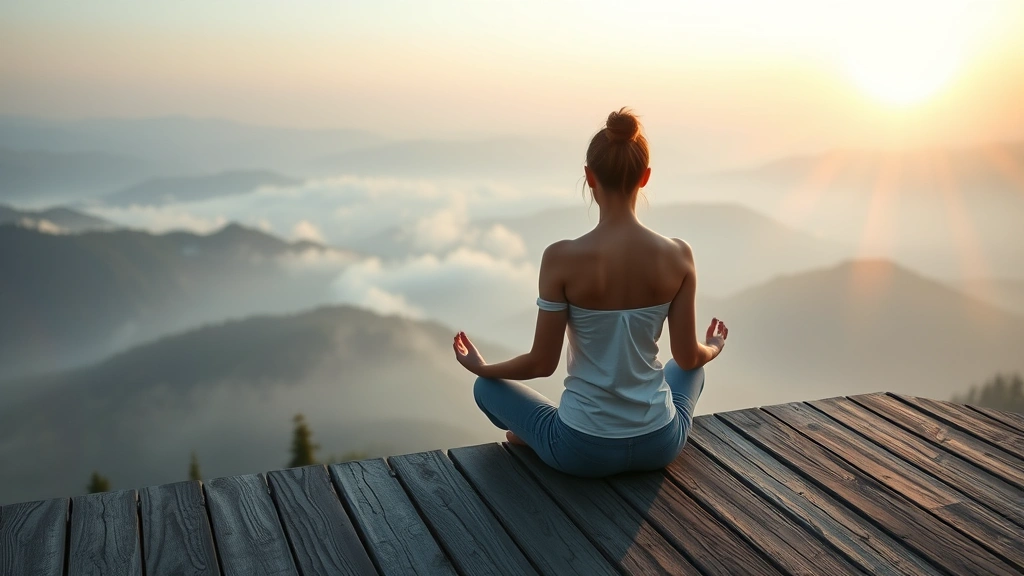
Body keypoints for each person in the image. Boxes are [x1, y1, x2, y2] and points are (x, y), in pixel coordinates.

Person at [452, 108, 728, 477]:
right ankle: (539, 436)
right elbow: (688, 356)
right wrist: (713, 346)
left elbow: (541, 363)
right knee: (690, 369)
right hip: (659, 443)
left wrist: (483, 368)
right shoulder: (679, 255)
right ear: (645, 177)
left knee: (485, 389)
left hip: (581, 451)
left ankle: (537, 437)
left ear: (589, 176)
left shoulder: (560, 259)